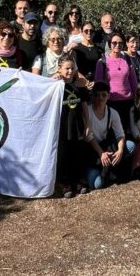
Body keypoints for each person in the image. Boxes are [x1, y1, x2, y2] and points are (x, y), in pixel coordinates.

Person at [83, 82, 135, 190]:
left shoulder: (112, 112)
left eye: (103, 95)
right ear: (93, 95)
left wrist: (120, 151)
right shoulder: (87, 110)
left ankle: (107, 166)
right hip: (91, 150)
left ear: (108, 96)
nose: (100, 98)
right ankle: (91, 169)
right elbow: (88, 136)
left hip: (105, 146)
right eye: (97, 95)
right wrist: (101, 153)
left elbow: (120, 134)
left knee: (130, 146)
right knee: (98, 184)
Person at [54, 54, 90, 198]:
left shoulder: (79, 84)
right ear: (59, 69)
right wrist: (52, 79)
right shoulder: (55, 85)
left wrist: (88, 123)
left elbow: (85, 105)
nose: (70, 71)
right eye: (66, 68)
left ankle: (79, 181)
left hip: (77, 125)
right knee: (63, 155)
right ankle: (64, 183)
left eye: (72, 68)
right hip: (62, 126)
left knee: (78, 153)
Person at [94, 31, 137, 138]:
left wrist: (136, 98)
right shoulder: (102, 61)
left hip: (128, 102)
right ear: (109, 44)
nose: (117, 45)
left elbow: (133, 80)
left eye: (120, 43)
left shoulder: (127, 59)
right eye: (114, 43)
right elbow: (98, 84)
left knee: (127, 132)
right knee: (113, 133)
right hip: (111, 103)